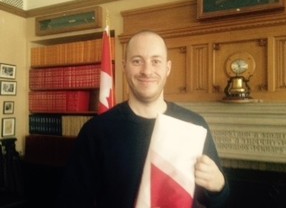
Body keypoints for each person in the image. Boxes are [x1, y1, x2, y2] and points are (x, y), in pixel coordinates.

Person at [56, 30, 229, 208]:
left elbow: (216, 201)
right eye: (137, 61)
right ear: (124, 66)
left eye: (156, 61)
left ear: (167, 68)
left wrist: (219, 187)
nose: (147, 71)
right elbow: (71, 199)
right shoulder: (96, 131)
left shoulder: (193, 126)